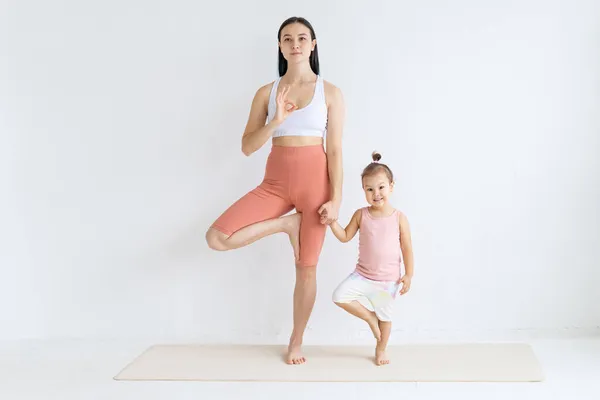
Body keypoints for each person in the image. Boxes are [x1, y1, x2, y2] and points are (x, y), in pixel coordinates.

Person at [204, 16, 345, 365]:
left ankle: (296, 342)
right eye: (287, 39)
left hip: (316, 186)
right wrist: (276, 120)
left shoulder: (331, 93)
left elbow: (337, 149)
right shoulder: (266, 93)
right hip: (274, 185)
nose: (295, 44)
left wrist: (336, 198)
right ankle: (286, 224)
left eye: (302, 38)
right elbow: (247, 147)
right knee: (216, 237)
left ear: (313, 45)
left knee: (306, 268)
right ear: (280, 47)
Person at [328, 152, 414, 366]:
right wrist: (331, 223)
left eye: (381, 187)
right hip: (362, 277)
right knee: (339, 296)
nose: (376, 193)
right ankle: (369, 317)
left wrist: (409, 274)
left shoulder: (399, 218)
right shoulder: (361, 214)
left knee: (385, 319)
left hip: (386, 282)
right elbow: (345, 236)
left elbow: (407, 248)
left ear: (391, 186)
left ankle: (381, 348)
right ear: (364, 191)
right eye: (370, 189)